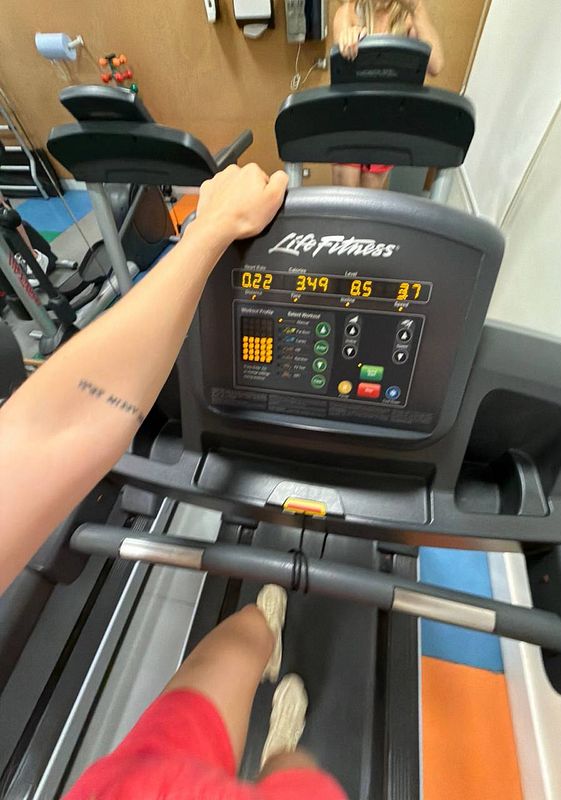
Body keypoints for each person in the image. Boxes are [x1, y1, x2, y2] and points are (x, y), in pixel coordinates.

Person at [0, 163, 347, 799]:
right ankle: (276, 748)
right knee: (293, 772)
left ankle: (260, 632)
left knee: (233, 644)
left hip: (129, 785)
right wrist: (211, 226)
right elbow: (55, 430)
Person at [332, 0, 445, 189]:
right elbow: (341, 71)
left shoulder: (408, 17)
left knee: (370, 201)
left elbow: (436, 65)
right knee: (345, 196)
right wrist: (347, 40)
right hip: (351, 119)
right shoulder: (348, 12)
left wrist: (417, 8)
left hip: (386, 122)